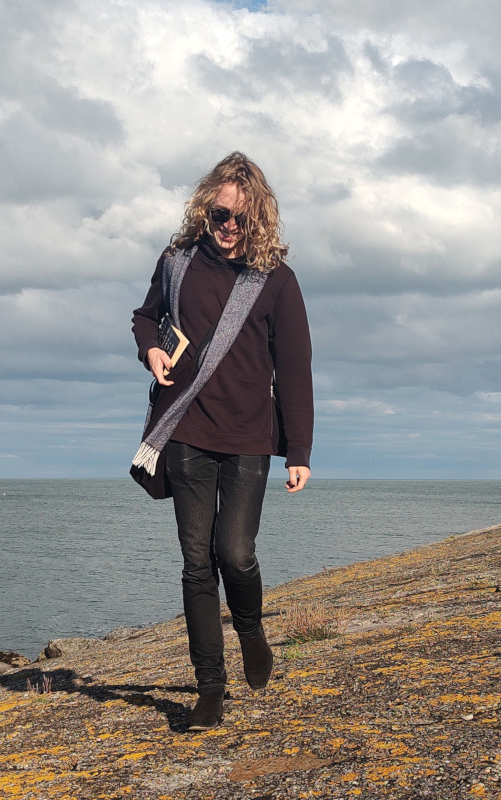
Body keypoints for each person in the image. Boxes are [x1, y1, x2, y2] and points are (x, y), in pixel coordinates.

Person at [131, 152, 313, 731]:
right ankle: (210, 685)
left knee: (234, 554)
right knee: (195, 562)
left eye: (239, 217)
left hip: (250, 437)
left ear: (258, 217)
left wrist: (299, 451)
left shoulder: (276, 280)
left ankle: (253, 632)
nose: (228, 226)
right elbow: (145, 316)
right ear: (203, 210)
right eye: (218, 215)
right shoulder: (177, 261)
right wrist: (151, 348)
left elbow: (295, 368)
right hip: (185, 428)